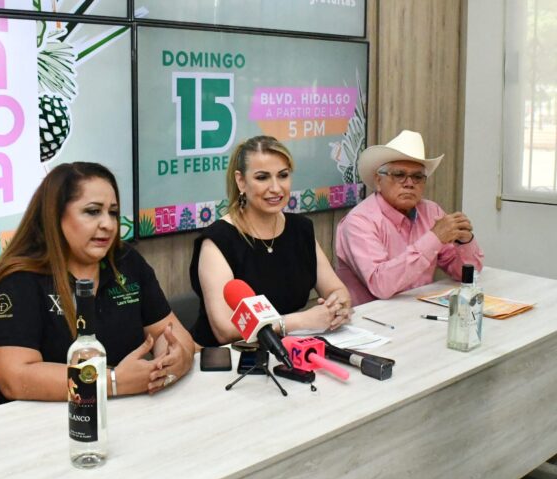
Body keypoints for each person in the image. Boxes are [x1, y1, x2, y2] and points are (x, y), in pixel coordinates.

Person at [0, 162, 195, 406]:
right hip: (41, 421)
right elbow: (14, 378)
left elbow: (169, 332)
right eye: (93, 211)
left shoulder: (126, 261)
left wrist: (176, 358)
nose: (108, 224)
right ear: (55, 216)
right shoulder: (19, 279)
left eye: (113, 212)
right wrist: (111, 381)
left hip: (123, 410)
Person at [189, 135, 352, 347]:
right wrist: (299, 321)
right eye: (262, 177)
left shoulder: (301, 229)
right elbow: (225, 331)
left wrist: (337, 307)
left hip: (287, 350)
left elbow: (337, 290)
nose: (276, 188)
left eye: (283, 175)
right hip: (230, 357)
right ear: (241, 181)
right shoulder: (218, 240)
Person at [335, 130, 484, 306]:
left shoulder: (431, 212)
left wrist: (465, 241)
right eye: (399, 175)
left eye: (417, 177)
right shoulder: (359, 221)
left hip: (419, 310)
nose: (409, 183)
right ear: (378, 181)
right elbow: (381, 285)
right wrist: (434, 238)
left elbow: (466, 275)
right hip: (372, 316)